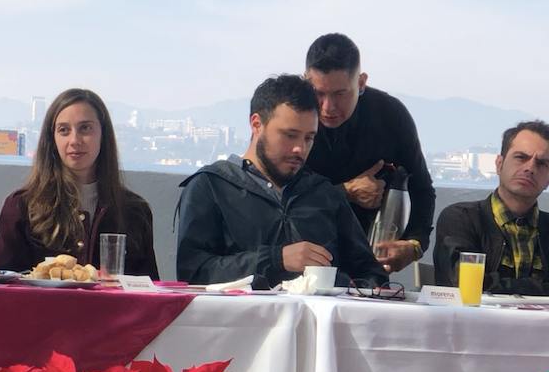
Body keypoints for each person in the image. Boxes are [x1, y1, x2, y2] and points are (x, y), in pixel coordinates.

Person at [176, 74, 387, 289]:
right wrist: (276, 260)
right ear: (257, 124)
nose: (300, 149)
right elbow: (193, 273)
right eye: (290, 135)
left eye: (309, 138)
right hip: (243, 311)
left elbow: (373, 276)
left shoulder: (323, 194)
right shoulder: (211, 186)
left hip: (318, 311)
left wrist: (340, 284)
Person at [303, 33, 435, 274]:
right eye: (318, 93)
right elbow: (280, 199)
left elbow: (422, 189)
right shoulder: (294, 116)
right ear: (306, 81)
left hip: (368, 261)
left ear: (361, 82)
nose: (328, 107)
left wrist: (414, 244)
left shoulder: (390, 115)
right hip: (304, 256)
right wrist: (346, 192)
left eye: (340, 94)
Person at [0, 88, 159, 277]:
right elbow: (3, 285)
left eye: (85, 128)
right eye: (64, 130)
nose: (74, 140)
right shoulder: (22, 206)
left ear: (103, 135)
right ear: (52, 139)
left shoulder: (134, 211)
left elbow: (148, 288)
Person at [434, 120, 549, 293]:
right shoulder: (460, 218)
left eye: (541, 163)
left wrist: (494, 283)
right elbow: (464, 283)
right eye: (521, 157)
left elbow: (483, 284)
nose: (530, 168)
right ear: (499, 164)